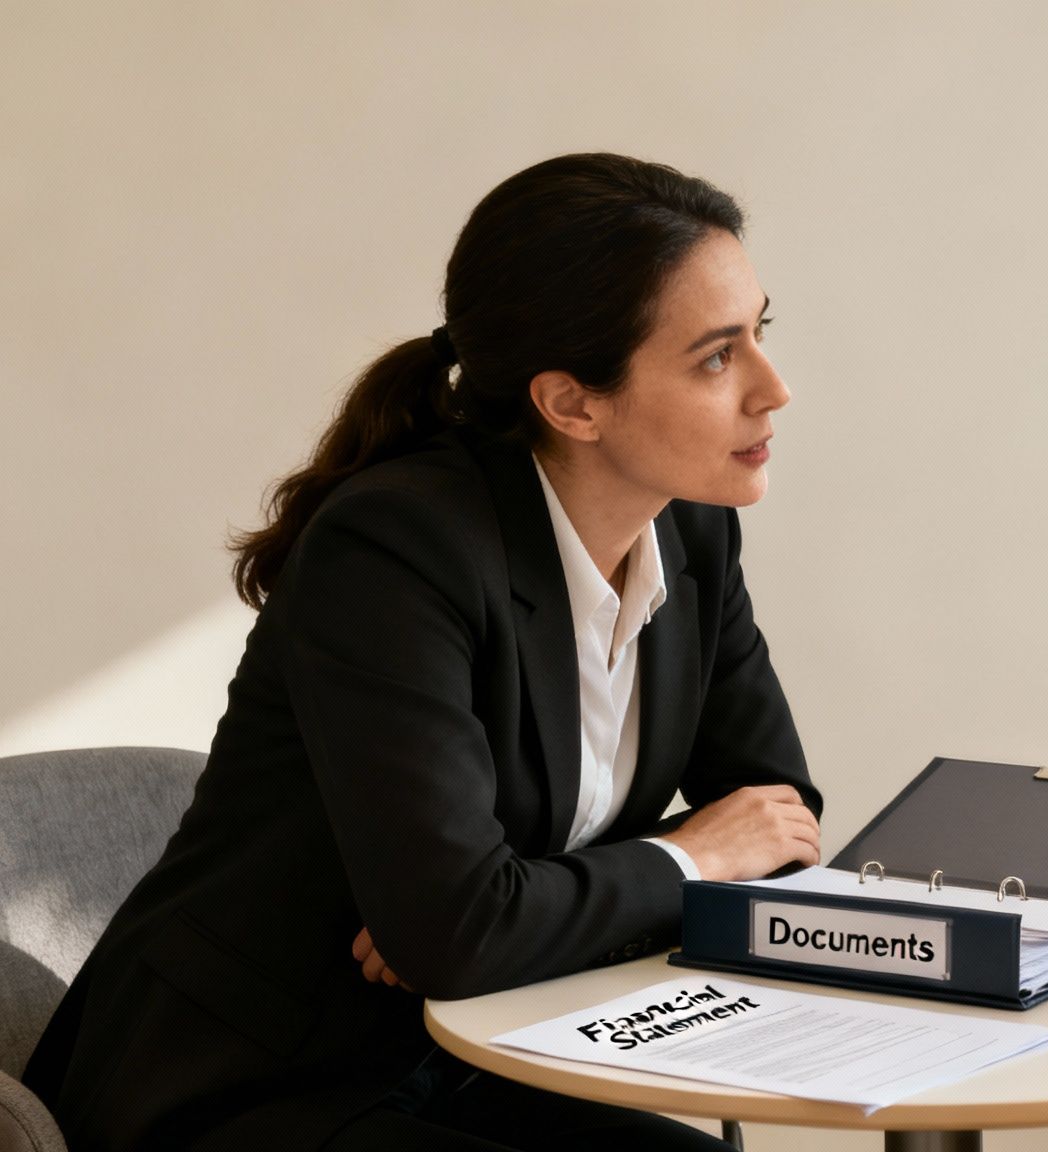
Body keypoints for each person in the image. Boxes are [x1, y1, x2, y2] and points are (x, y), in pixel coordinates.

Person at [25, 153, 823, 1151]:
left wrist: (509, 919)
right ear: (572, 403)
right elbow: (474, 924)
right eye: (715, 356)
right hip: (255, 1088)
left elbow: (779, 827)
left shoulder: (690, 533)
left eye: (760, 333)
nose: (773, 388)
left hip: (479, 1052)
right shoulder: (397, 549)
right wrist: (669, 863)